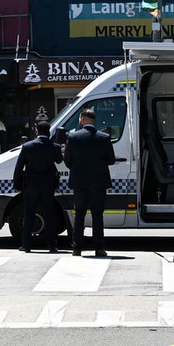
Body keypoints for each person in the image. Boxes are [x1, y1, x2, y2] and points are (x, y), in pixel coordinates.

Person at [63, 107, 116, 258]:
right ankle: (99, 248)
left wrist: (77, 168)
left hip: (79, 182)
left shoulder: (73, 137)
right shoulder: (104, 137)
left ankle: (76, 248)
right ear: (93, 121)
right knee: (97, 215)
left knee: (79, 214)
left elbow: (67, 160)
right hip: (99, 182)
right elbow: (111, 160)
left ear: (83, 120)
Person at [12, 120, 63, 253]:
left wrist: (17, 184)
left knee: (28, 214)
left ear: (36, 130)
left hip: (31, 185)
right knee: (49, 215)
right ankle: (52, 246)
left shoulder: (27, 146)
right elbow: (59, 160)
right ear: (49, 131)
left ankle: (26, 245)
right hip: (48, 185)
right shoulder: (55, 147)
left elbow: (19, 167)